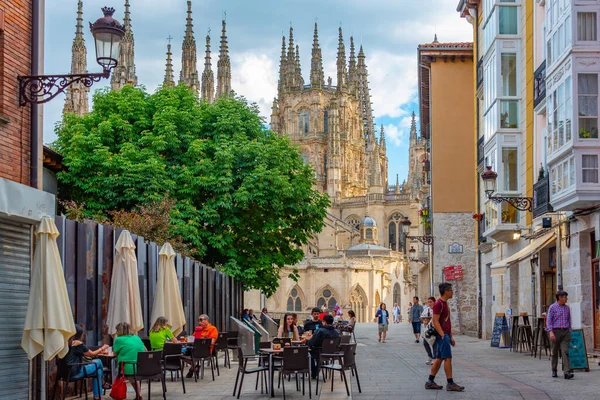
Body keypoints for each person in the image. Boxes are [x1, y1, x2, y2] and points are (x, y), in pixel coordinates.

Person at [425, 282, 464, 392]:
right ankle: (450, 383)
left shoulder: (444, 303)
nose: (452, 292)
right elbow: (435, 321)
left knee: (439, 358)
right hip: (442, 336)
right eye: (451, 290)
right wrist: (443, 335)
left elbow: (447, 322)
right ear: (446, 292)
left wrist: (450, 336)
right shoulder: (439, 304)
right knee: (447, 358)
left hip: (445, 335)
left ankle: (430, 381)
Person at [62, 325, 108, 400]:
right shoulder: (78, 344)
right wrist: (102, 348)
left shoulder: (65, 342)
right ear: (79, 335)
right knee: (98, 362)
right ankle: (102, 385)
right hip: (74, 373)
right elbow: (92, 354)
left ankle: (98, 396)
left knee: (98, 371)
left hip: (63, 373)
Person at [546, 290, 574, 379]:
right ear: (560, 298)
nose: (566, 299)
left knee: (565, 352)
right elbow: (549, 320)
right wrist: (550, 332)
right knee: (554, 352)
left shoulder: (567, 308)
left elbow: (569, 320)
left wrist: (569, 330)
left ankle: (567, 372)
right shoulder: (552, 307)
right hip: (555, 332)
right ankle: (554, 370)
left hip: (565, 332)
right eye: (565, 297)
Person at [113, 322, 146, 397]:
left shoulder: (119, 340)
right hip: (142, 367)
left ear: (119, 331)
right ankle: (138, 394)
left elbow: (114, 354)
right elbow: (145, 350)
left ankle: (118, 394)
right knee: (134, 375)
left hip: (128, 367)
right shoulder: (136, 337)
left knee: (120, 371)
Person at [307, 314, 339, 379]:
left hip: (319, 352)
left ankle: (314, 372)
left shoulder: (320, 331)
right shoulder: (336, 333)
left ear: (324, 322)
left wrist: (307, 342)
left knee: (307, 351)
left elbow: (312, 342)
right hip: (332, 353)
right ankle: (316, 369)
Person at [421, 296, 436, 364]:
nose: (429, 303)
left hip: (434, 329)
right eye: (428, 302)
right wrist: (424, 319)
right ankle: (430, 356)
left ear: (434, 302)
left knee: (434, 343)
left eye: (431, 302)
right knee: (425, 342)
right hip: (427, 328)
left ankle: (435, 358)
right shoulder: (426, 309)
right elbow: (422, 317)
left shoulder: (436, 310)